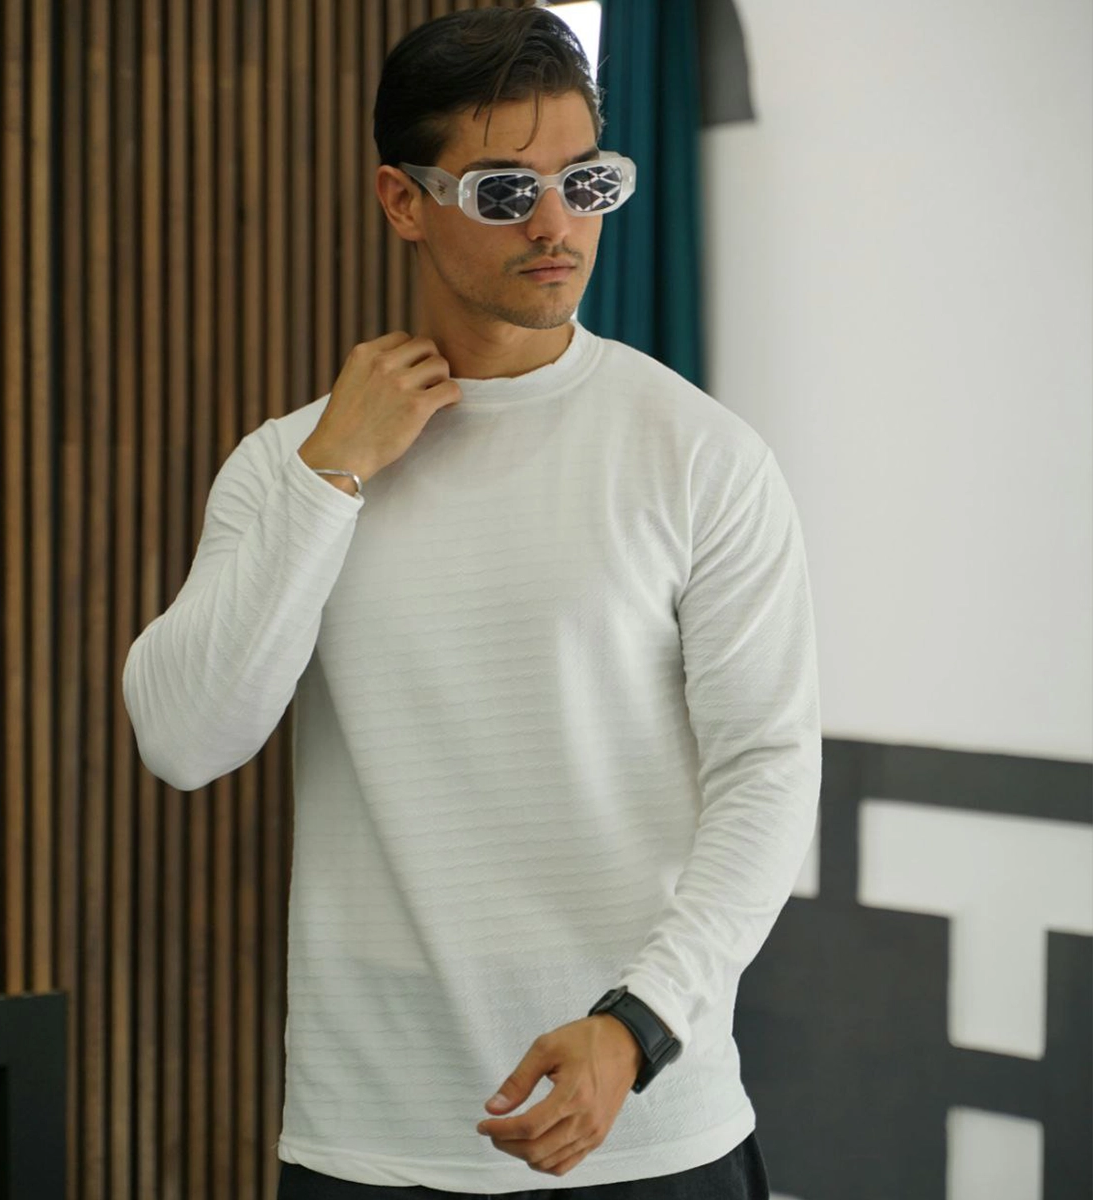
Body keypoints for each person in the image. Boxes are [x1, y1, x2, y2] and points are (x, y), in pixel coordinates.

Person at [123, 8, 820, 1198]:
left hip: (644, 1125)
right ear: (403, 201)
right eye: (505, 191)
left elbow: (767, 769)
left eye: (584, 181)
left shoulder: (700, 455)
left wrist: (640, 1024)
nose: (556, 225)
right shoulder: (292, 466)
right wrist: (329, 478)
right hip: (373, 1136)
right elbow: (184, 741)